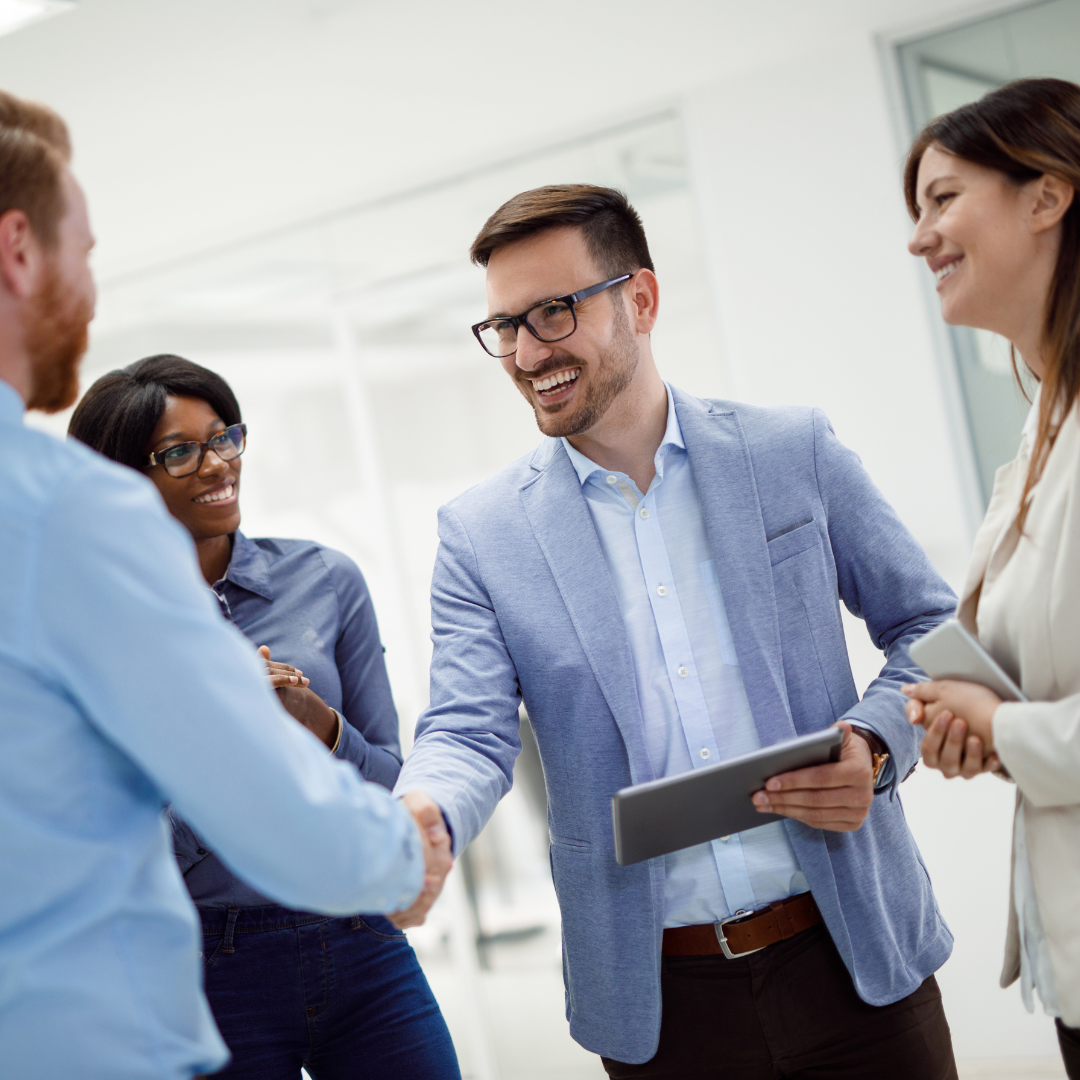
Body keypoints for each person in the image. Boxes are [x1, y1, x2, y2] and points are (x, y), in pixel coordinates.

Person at [394, 184, 960, 1077]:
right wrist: (422, 814)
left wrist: (877, 745)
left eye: (552, 313)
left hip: (853, 961)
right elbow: (466, 729)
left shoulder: (791, 453)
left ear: (641, 300)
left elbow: (935, 626)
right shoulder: (482, 535)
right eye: (504, 326)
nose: (525, 352)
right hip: (661, 1007)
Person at [0, 89, 450, 1080]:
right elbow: (251, 796)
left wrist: (329, 740)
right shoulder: (62, 513)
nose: (89, 283)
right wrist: (399, 851)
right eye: (85, 250)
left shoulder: (319, 577)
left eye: (225, 440)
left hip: (342, 950)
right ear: (19, 251)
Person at [68, 354, 460, 1080]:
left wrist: (318, 724)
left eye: (224, 438)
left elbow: (393, 786)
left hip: (361, 939)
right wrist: (226, 747)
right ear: (121, 481)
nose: (217, 464)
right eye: (179, 452)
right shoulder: (96, 634)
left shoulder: (325, 579)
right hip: (207, 966)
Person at [903, 77, 1080, 1080]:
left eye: (942, 198)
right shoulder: (1042, 428)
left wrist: (1002, 727)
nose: (919, 239)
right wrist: (977, 720)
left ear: (1046, 196)